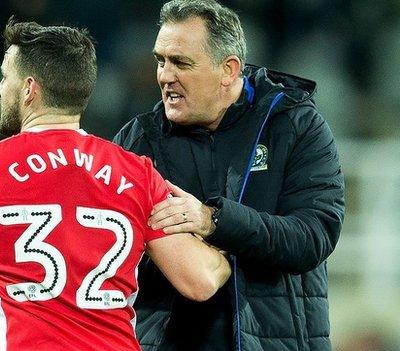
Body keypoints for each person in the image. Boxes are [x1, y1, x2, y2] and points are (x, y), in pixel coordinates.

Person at [0, 18, 231, 351]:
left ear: (29, 88)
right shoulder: (135, 173)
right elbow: (201, 280)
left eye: (5, 76)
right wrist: (223, 246)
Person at [113, 1, 345, 350]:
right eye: (160, 60)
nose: (164, 75)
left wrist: (213, 220)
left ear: (228, 69)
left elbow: (313, 237)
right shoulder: (139, 140)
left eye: (181, 63)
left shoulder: (294, 125)